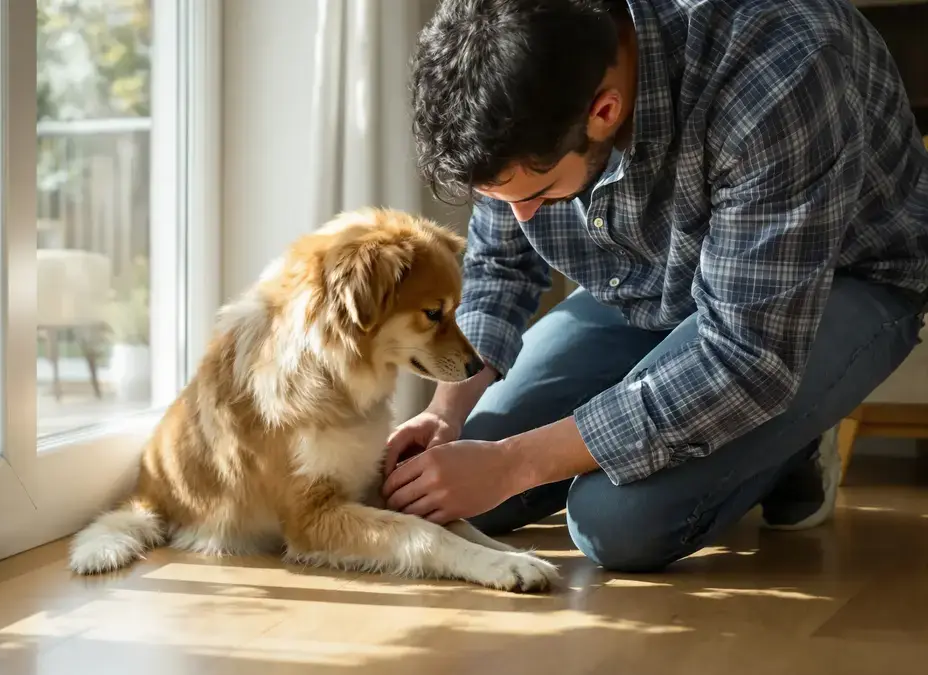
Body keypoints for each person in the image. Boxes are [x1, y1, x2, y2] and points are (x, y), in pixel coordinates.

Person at [382, 0, 928, 572]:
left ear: (604, 111)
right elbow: (501, 266)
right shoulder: (523, 75)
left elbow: (746, 358)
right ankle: (753, 424)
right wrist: (445, 414)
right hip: (649, 283)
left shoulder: (779, 69)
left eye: (538, 194)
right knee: (448, 482)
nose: (523, 219)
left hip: (821, 291)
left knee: (616, 522)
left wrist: (513, 463)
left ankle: (796, 438)